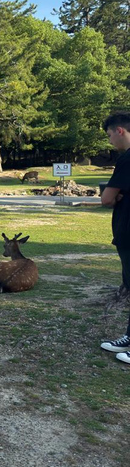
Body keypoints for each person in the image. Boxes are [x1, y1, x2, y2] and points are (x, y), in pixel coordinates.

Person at [100, 112, 130, 363]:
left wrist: (117, 197)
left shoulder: (127, 159)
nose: (110, 141)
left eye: (110, 135)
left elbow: (107, 198)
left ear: (120, 131)